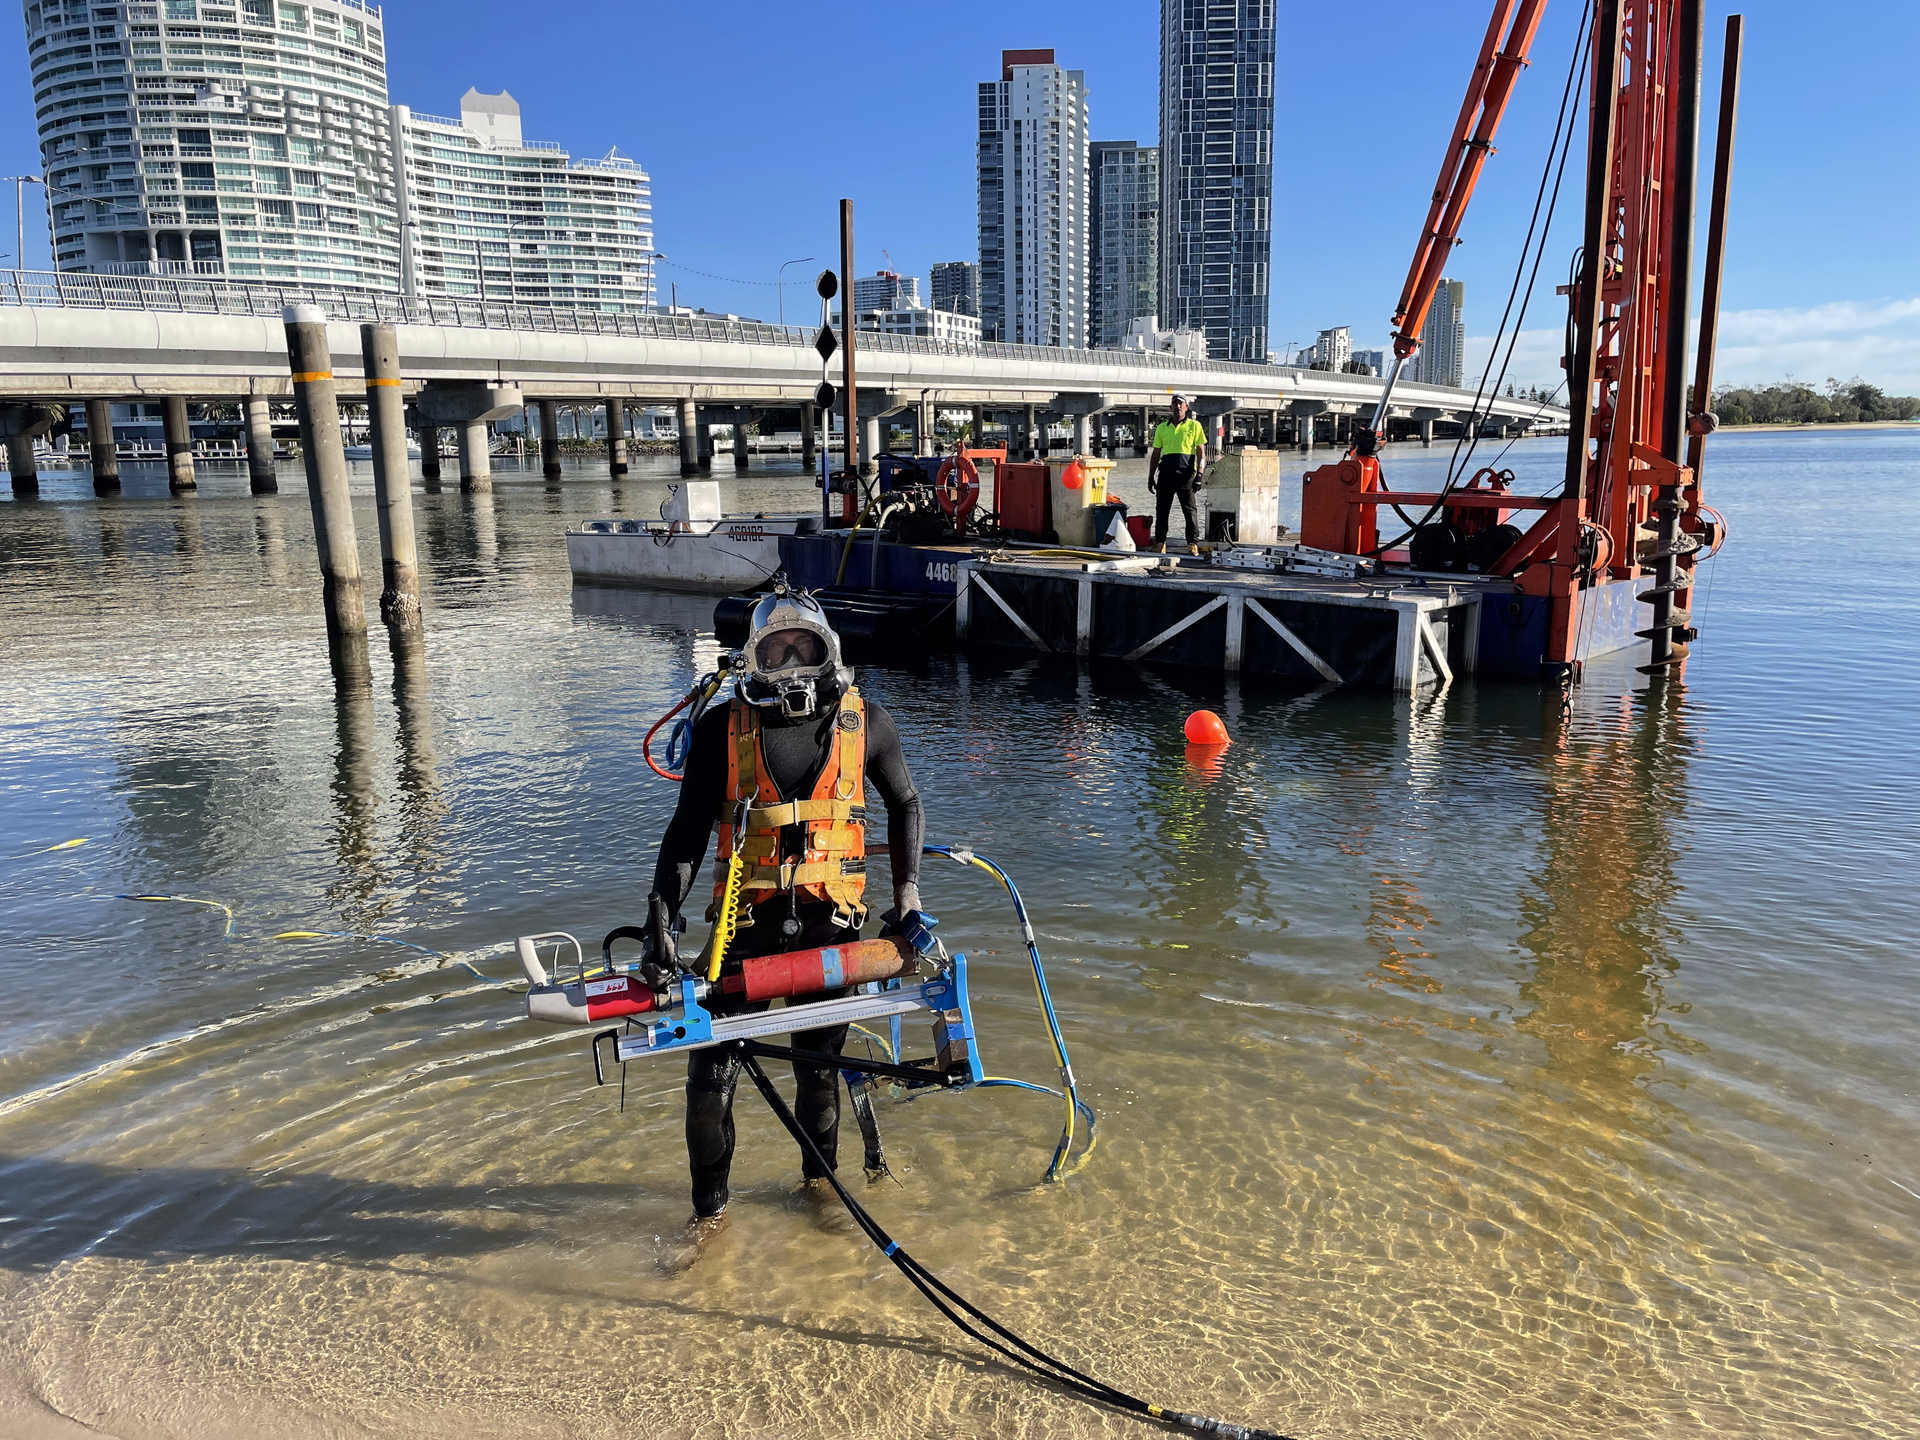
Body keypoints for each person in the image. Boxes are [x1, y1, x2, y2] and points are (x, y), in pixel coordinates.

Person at [645, 579, 928, 1259]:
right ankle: (708, 1218)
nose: (793, 661)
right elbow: (686, 834)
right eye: (778, 650)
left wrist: (908, 894)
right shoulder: (721, 730)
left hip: (833, 926)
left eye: (805, 645)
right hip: (745, 925)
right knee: (711, 1075)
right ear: (753, 659)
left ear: (829, 650)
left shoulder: (869, 723)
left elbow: (907, 804)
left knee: (818, 1069)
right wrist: (659, 921)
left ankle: (817, 1188)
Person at [1145, 394, 1210, 553]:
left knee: (1189, 511)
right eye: (1175, 404)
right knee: (1162, 510)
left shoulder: (1195, 426)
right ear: (1170, 408)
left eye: (1181, 404)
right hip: (1166, 475)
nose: (1178, 407)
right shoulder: (1162, 428)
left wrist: (1200, 474)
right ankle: (1160, 543)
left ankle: (1192, 543)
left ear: (1186, 407)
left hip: (1186, 476)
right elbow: (1156, 454)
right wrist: (1150, 476)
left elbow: (1201, 452)